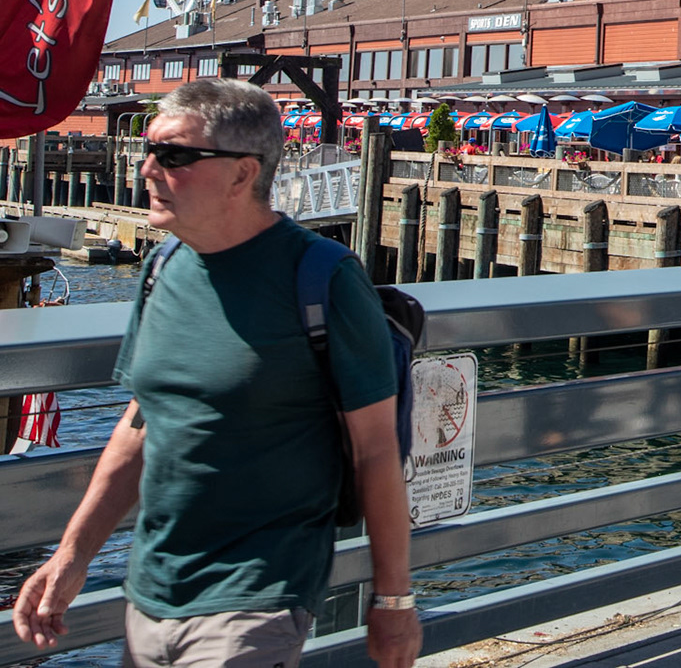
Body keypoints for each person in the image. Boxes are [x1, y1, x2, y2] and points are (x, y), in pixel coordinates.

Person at [11, 81, 420, 668]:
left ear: (241, 174)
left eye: (175, 155)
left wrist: (394, 600)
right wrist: (70, 557)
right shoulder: (163, 266)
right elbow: (139, 427)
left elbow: (377, 452)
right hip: (151, 592)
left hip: (258, 596)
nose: (149, 168)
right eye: (150, 150)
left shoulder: (322, 276)